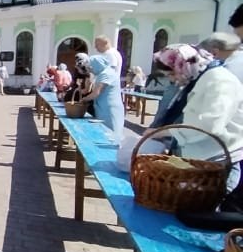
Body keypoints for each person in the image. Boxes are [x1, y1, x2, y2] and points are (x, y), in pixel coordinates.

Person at [148, 44, 243, 195]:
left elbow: (208, 125)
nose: (172, 79)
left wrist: (164, 132)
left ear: (182, 65)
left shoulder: (219, 81)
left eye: (172, 74)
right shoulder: (201, 79)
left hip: (217, 164)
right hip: (201, 161)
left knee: (202, 213)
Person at [81, 54, 125, 142]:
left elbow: (96, 93)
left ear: (96, 65)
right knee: (103, 133)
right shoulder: (104, 73)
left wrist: (83, 99)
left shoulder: (106, 74)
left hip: (109, 109)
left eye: (90, 67)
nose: (90, 70)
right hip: (104, 107)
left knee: (111, 135)